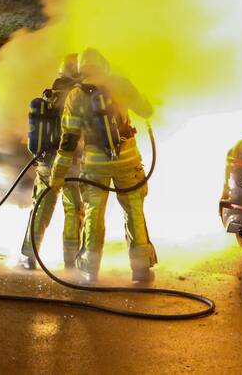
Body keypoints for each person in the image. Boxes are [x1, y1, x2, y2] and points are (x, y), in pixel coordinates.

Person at [49, 48, 156, 284]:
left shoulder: (75, 96)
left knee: (94, 213)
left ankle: (90, 270)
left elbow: (68, 142)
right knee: (134, 210)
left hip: (95, 165)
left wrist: (57, 176)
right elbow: (146, 111)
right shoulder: (121, 85)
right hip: (128, 161)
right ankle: (141, 270)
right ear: (103, 65)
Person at [19, 54, 85, 271]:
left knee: (40, 209)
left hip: (45, 163)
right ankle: (71, 260)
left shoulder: (49, 95)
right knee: (74, 210)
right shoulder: (76, 97)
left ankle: (28, 256)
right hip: (68, 163)